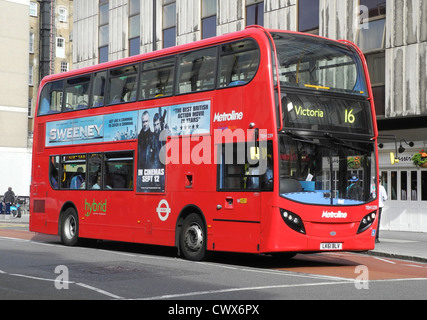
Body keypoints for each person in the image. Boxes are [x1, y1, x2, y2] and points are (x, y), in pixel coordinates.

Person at [377, 177, 388, 243]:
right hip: (379, 206)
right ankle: (376, 237)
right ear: (380, 181)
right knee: (378, 222)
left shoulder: (373, 187)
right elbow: (385, 197)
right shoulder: (381, 188)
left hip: (373, 206)